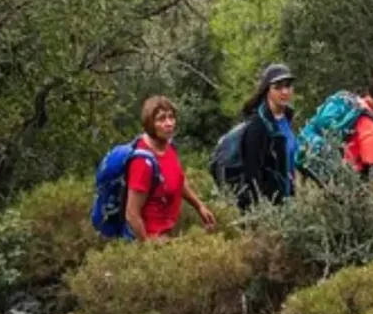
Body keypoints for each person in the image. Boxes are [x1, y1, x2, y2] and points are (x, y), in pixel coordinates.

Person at [126, 95, 216, 241]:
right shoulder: (142, 162)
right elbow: (132, 214)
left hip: (167, 234)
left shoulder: (169, 147)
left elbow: (178, 179)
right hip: (152, 239)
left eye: (171, 117)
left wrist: (199, 206)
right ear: (150, 124)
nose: (169, 123)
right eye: (161, 119)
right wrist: (148, 246)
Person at [234, 63, 298, 209]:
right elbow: (252, 174)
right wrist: (262, 211)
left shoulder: (286, 118)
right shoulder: (257, 126)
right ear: (267, 90)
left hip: (286, 203)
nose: (284, 91)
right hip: (267, 208)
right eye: (278, 87)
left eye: (288, 86)